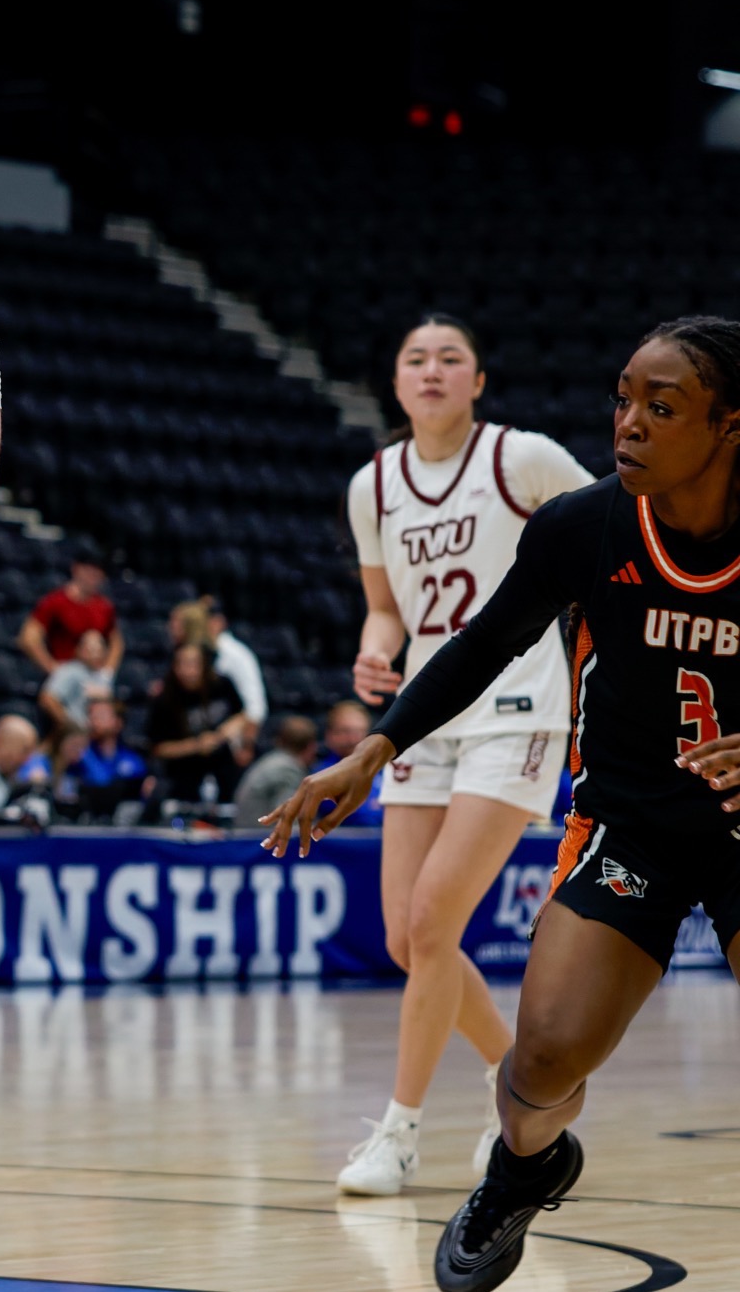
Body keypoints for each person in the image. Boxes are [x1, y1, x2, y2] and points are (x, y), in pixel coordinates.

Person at [264, 316, 740, 1292]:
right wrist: (377, 744)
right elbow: (481, 643)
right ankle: (525, 1165)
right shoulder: (583, 524)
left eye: (662, 407)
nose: (628, 423)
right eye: (622, 399)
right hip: (632, 824)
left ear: (728, 426)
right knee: (534, 1069)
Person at [330, 313, 593, 1198]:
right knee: (409, 938)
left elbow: (618, 538)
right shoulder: (372, 484)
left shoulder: (525, 460)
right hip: (423, 713)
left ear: (478, 381)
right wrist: (376, 647)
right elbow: (385, 606)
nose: (433, 370)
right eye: (415, 358)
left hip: (518, 707)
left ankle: (400, 1133)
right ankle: (516, 1080)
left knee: (436, 920)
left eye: (452, 358)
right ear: (396, 383)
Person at [146, 642, 246, 807]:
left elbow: (242, 715)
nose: (189, 670)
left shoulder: (222, 685)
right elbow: (158, 748)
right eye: (183, 664)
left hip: (222, 764)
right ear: (175, 667)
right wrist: (197, 745)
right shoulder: (164, 700)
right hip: (182, 772)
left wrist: (222, 734)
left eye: (194, 664)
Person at [17, 551, 120, 677]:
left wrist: (107, 672)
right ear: (76, 569)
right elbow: (29, 637)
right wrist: (51, 667)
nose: (94, 577)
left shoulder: (104, 606)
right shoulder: (56, 601)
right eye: (89, 571)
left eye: (98, 573)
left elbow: (116, 642)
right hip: (65, 674)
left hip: (93, 678)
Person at [231, 715, 318, 829]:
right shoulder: (287, 770)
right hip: (258, 840)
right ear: (311, 747)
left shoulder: (271, 761)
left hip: (249, 836)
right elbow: (290, 821)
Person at [75, 697, 148, 823]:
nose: (94, 720)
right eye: (91, 716)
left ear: (118, 723)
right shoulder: (79, 755)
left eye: (101, 716)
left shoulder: (132, 759)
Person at [204, 598, 267, 735]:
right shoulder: (199, 652)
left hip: (230, 737)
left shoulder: (236, 654)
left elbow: (256, 708)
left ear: (218, 622)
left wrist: (246, 747)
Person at [317, 700, 383, 827]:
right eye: (346, 731)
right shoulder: (322, 775)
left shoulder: (381, 770)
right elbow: (363, 817)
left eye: (360, 732)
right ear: (330, 735)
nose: (354, 739)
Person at [38, 627, 114, 734]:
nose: (95, 654)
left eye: (99, 649)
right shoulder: (70, 671)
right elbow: (47, 699)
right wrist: (70, 725)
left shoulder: (105, 675)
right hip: (76, 733)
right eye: (90, 649)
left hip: (99, 734)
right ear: (78, 650)